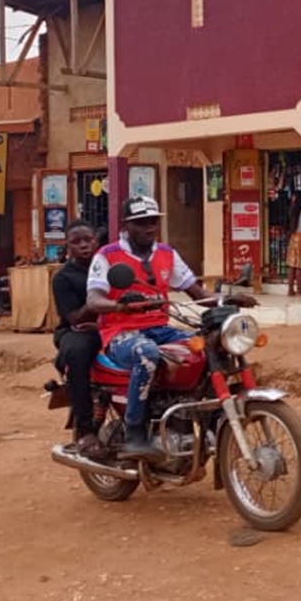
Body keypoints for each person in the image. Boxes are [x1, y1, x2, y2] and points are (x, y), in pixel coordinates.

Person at [86, 196, 212, 461]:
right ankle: (135, 433)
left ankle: (199, 417)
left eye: (153, 221)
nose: (149, 228)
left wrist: (228, 299)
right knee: (147, 353)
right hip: (120, 333)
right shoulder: (107, 255)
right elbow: (94, 299)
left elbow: (196, 291)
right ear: (126, 226)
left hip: (160, 327)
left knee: (209, 344)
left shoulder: (166, 253)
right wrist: (120, 305)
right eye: (141, 223)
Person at [52, 220, 104, 458]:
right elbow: (73, 318)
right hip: (77, 330)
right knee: (77, 353)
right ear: (68, 246)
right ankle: (85, 430)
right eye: (77, 242)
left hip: (113, 325)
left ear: (96, 240)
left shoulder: (110, 266)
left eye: (88, 240)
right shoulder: (63, 278)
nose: (84, 245)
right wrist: (94, 304)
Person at [286, 193, 301, 296]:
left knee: (292, 266)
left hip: (294, 237)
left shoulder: (293, 210)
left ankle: (290, 289)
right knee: (300, 266)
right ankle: (299, 289)